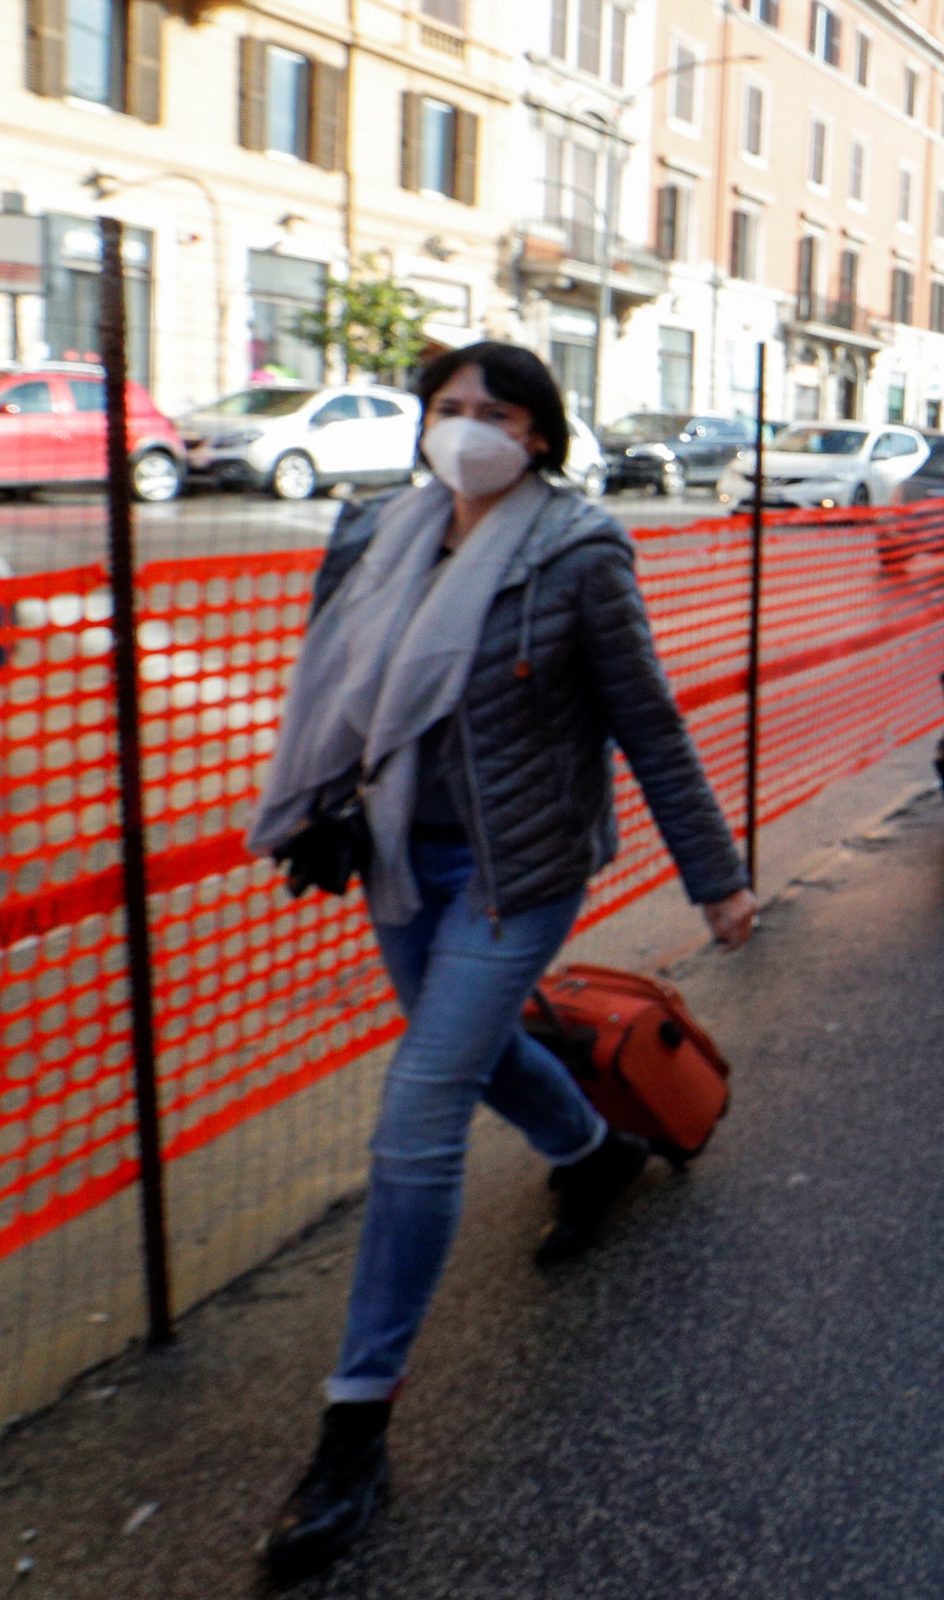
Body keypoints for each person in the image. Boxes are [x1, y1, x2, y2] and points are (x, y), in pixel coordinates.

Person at [244, 342, 757, 1581]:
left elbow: (646, 717)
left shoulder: (576, 553)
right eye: (448, 408)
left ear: (540, 435)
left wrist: (717, 873)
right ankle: (595, 1153)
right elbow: (337, 688)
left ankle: (354, 1428)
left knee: (417, 1105)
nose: (464, 428)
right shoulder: (374, 534)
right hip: (396, 857)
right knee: (467, 1057)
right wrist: (320, 802)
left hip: (514, 872)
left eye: (495, 412)